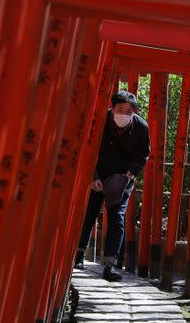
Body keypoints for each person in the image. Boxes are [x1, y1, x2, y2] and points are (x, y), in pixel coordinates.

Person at [74, 90, 150, 281]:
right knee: (89, 214)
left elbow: (142, 154)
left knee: (117, 219)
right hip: (98, 174)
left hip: (122, 179)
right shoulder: (101, 121)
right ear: (112, 107)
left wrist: (131, 172)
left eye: (129, 111)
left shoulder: (141, 127)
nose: (124, 114)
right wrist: (93, 176)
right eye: (120, 109)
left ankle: (110, 264)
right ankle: (79, 254)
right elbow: (89, 148)